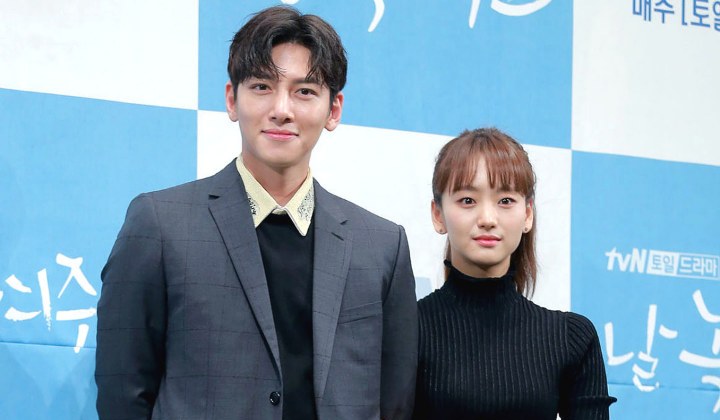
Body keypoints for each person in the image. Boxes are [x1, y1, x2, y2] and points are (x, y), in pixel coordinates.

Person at [95, 6, 417, 419]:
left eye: (304, 91)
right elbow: (123, 391)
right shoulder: (160, 224)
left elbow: (395, 402)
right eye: (262, 86)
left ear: (334, 110)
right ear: (232, 99)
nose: (282, 109)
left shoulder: (382, 246)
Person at [413, 128, 615, 419]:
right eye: (467, 200)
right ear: (438, 214)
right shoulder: (406, 330)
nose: (487, 219)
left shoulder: (571, 337)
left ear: (528, 214)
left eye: (505, 200)